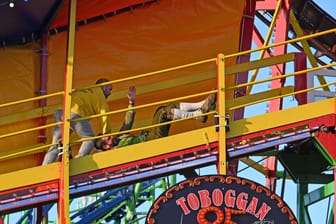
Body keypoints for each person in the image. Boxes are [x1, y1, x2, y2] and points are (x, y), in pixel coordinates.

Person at [95, 93, 217, 151]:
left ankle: (201, 106)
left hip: (149, 138)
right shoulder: (116, 153)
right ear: (106, 147)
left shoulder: (120, 138)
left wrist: (131, 103)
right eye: (108, 139)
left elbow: (127, 123)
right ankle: (197, 114)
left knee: (165, 108)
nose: (111, 136)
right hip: (151, 143)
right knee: (163, 113)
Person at [42, 78, 113, 165]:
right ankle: (78, 162)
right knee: (89, 139)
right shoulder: (100, 95)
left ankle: (45, 166)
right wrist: (106, 133)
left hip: (61, 112)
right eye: (110, 89)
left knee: (56, 144)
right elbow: (104, 116)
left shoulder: (85, 89)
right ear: (104, 87)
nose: (110, 93)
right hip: (75, 114)